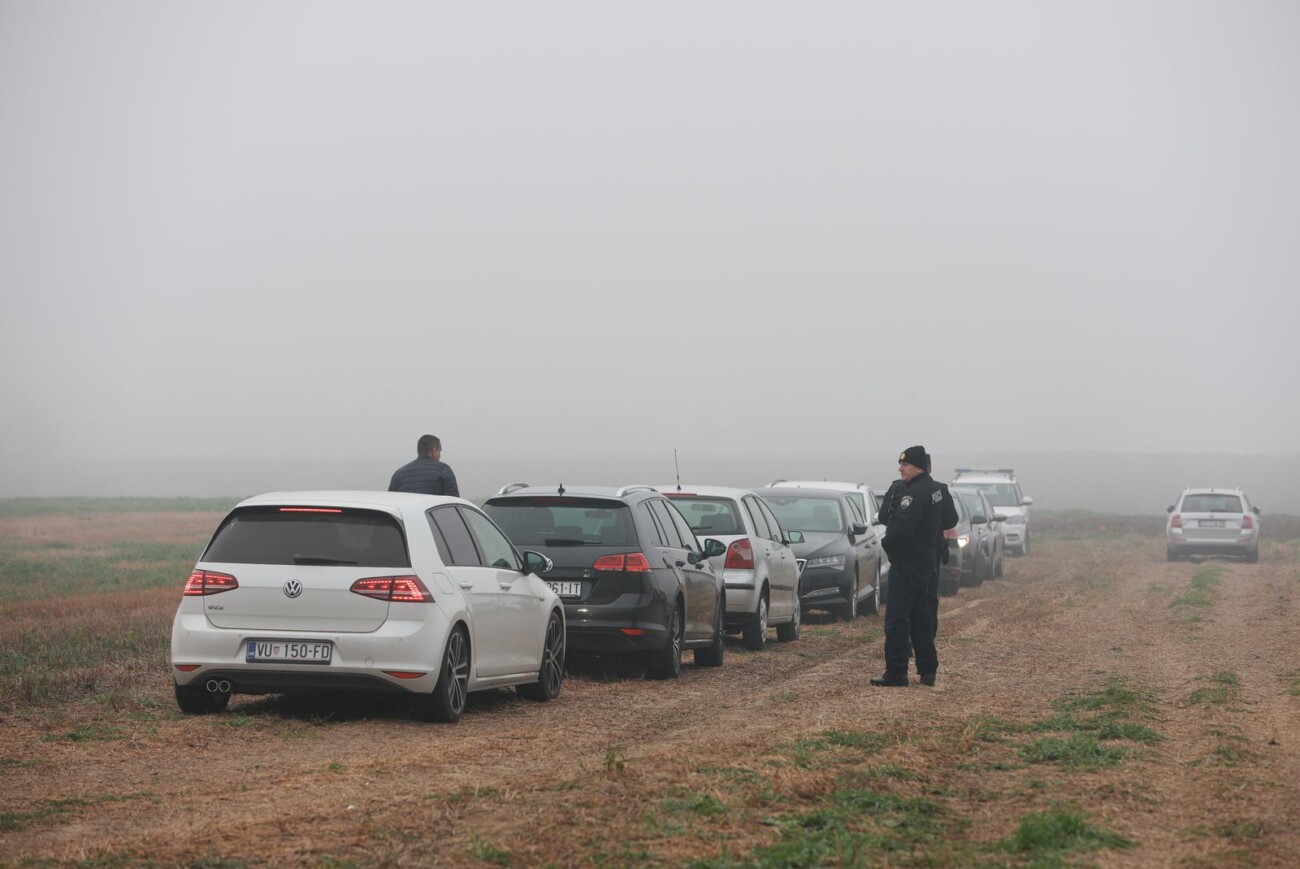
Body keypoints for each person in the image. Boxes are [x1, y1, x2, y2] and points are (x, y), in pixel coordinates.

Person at [871, 445, 944, 688]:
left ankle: (896, 671)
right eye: (901, 464)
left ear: (918, 467)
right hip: (926, 562)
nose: (901, 468)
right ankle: (928, 670)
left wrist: (887, 545)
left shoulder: (912, 495)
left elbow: (900, 530)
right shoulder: (935, 489)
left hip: (908, 564)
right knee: (922, 618)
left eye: (906, 465)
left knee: (897, 619)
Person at [388, 435, 459, 496]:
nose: (440, 455)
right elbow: (453, 502)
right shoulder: (443, 470)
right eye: (440, 451)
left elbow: (391, 502)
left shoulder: (398, 474)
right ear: (434, 451)